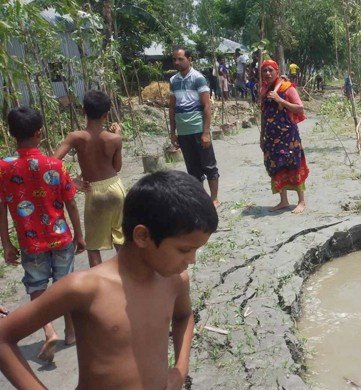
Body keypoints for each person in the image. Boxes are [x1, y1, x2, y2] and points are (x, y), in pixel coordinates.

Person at [0, 170, 218, 389]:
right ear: (142, 236)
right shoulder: (85, 289)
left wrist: (180, 370)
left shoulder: (175, 281)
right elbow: (3, 337)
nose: (191, 260)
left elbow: (183, 315)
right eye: (184, 250)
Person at [0, 107, 85, 362]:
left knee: (37, 287)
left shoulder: (3, 168)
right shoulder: (55, 165)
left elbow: (1, 209)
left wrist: (6, 244)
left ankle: (49, 330)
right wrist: (79, 235)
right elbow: (70, 203)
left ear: (11, 134)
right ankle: (70, 332)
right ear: (39, 133)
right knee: (64, 286)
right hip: (60, 237)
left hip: (30, 241)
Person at [53, 91, 124, 268]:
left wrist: (71, 181)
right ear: (106, 114)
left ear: (83, 111)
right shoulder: (114, 138)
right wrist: (118, 134)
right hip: (115, 187)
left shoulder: (76, 137)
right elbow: (117, 168)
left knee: (93, 246)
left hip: (93, 192)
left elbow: (52, 163)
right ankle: (126, 278)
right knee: (121, 239)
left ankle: (97, 285)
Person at [169, 47, 220, 207]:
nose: (177, 62)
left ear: (189, 59)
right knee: (192, 169)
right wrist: (173, 132)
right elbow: (172, 107)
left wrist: (206, 132)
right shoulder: (173, 81)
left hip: (198, 128)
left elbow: (206, 106)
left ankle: (214, 198)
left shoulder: (198, 78)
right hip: (183, 131)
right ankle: (201, 199)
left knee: (209, 165)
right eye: (175, 59)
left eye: (180, 59)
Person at [259, 59, 309, 214]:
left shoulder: (287, 88)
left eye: (270, 70)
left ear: (277, 71)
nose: (267, 73)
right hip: (271, 137)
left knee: (294, 164)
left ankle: (301, 201)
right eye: (264, 71)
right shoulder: (264, 91)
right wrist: (262, 136)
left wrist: (280, 100)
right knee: (276, 166)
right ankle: (283, 200)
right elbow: (263, 115)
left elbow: (300, 109)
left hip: (288, 136)